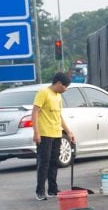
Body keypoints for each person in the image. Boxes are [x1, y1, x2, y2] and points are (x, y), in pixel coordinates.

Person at [31, 72, 75, 201]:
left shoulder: (58, 96)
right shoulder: (43, 93)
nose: (65, 89)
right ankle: (40, 191)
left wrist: (68, 132)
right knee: (43, 163)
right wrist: (36, 132)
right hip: (44, 134)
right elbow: (35, 112)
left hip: (57, 133)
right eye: (65, 86)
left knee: (54, 162)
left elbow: (59, 116)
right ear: (58, 83)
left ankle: (52, 189)